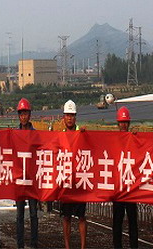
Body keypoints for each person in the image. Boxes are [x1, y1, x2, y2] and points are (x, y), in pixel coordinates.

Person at [60, 100, 87, 249]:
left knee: (81, 216)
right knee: (66, 217)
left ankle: (83, 246)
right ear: (64, 117)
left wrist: (85, 134)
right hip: (66, 181)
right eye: (67, 115)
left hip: (80, 181)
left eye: (72, 115)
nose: (69, 118)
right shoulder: (61, 135)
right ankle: (67, 246)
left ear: (75, 117)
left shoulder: (81, 133)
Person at [113, 106, 138, 248]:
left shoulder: (133, 138)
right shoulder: (113, 140)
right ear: (118, 123)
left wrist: (136, 136)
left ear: (128, 123)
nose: (123, 125)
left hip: (131, 187)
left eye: (125, 122)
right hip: (118, 188)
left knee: (132, 221)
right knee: (117, 221)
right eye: (121, 122)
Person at [15, 98, 38, 249]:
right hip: (19, 180)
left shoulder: (35, 134)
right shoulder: (14, 134)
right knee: (19, 215)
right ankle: (20, 244)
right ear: (19, 116)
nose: (23, 117)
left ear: (29, 115)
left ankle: (34, 244)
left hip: (32, 180)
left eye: (26, 114)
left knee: (34, 214)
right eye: (21, 114)